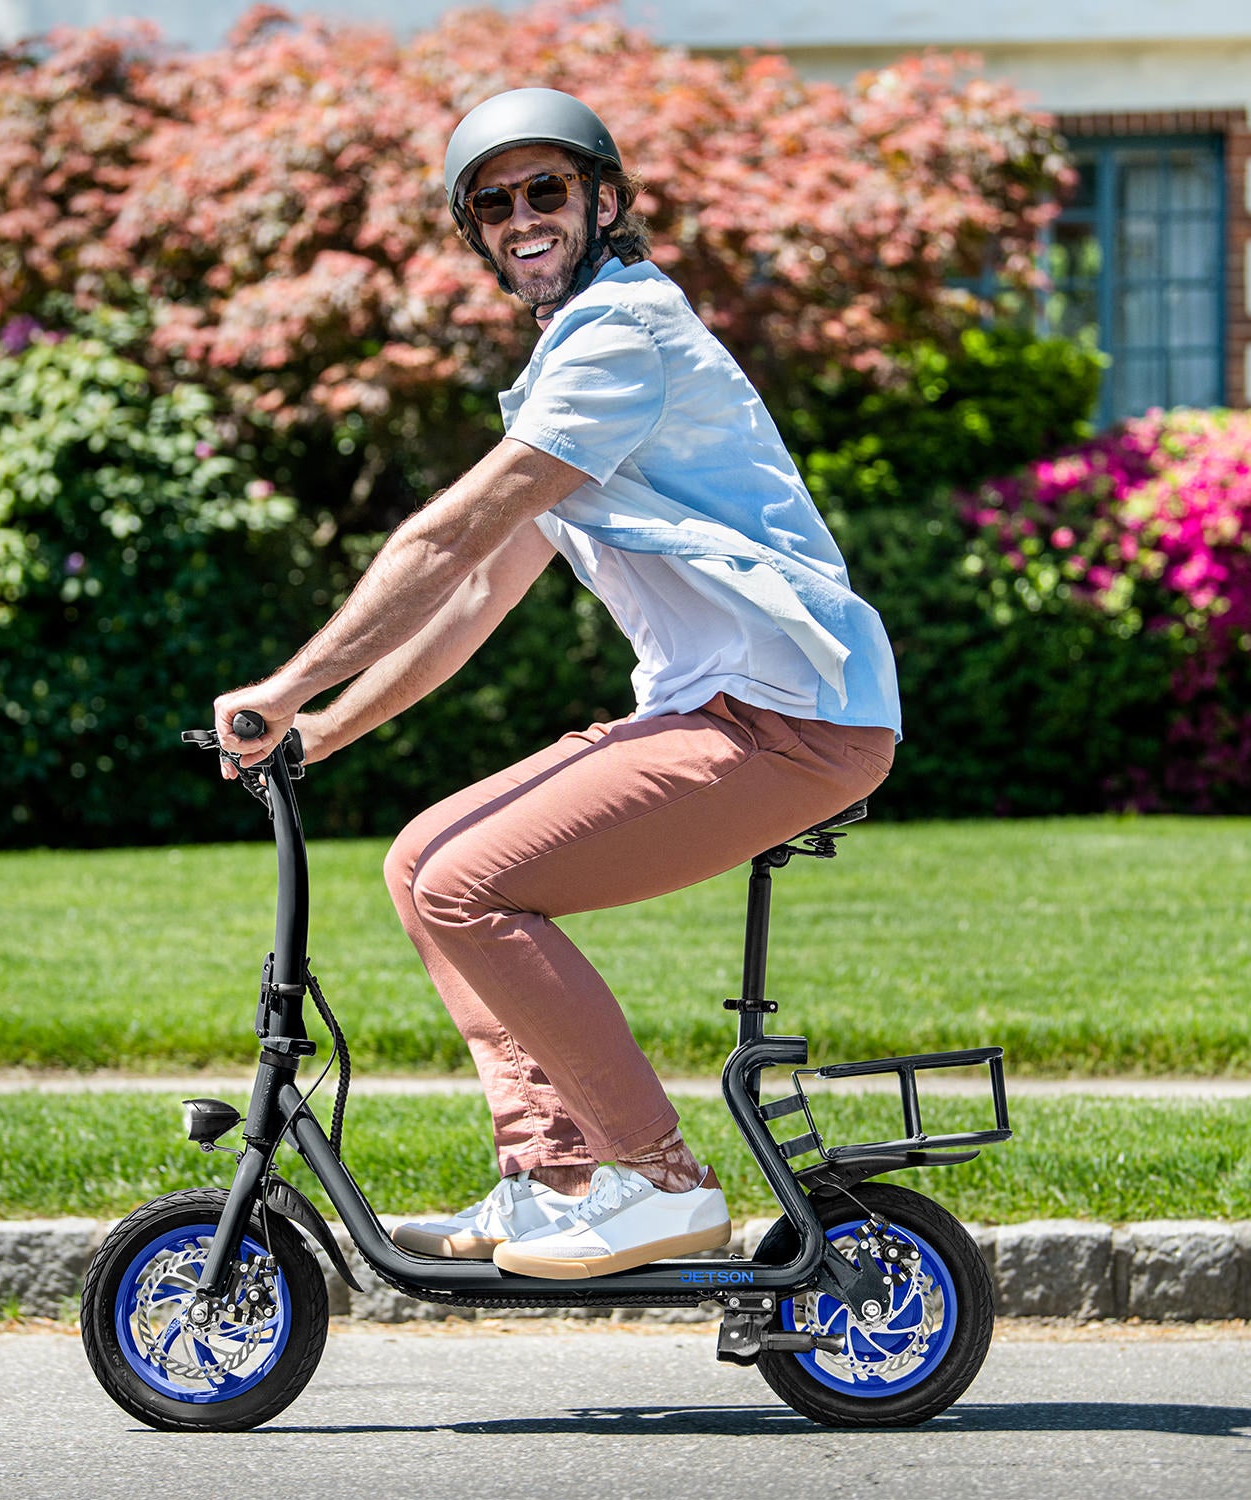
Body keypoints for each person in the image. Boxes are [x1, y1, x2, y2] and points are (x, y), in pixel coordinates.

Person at [215, 88, 901, 1280]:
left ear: (604, 201)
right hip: (720, 709)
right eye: (495, 200)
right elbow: (480, 590)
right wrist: (324, 729)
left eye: (548, 189)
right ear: (475, 231)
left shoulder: (623, 334)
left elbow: (449, 535)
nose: (523, 215)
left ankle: (661, 1180)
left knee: (471, 880)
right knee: (424, 860)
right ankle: (559, 1174)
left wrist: (282, 684)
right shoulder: (567, 360)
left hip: (793, 717)